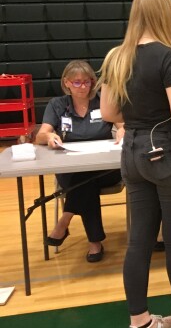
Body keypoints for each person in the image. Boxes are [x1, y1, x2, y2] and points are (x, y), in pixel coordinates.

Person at [99, 0, 171, 328]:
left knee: (138, 241)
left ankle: (140, 324)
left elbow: (109, 113)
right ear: (166, 15)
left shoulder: (117, 57)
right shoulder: (170, 58)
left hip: (133, 152)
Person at [35, 60, 123, 262]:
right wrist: (49, 137)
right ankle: (94, 242)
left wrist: (122, 131)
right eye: (77, 83)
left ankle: (65, 221)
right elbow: (41, 134)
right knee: (85, 181)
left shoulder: (104, 100)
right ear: (66, 83)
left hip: (105, 168)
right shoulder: (57, 105)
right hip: (71, 168)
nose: (83, 87)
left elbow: (123, 125)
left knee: (85, 180)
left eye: (87, 82)